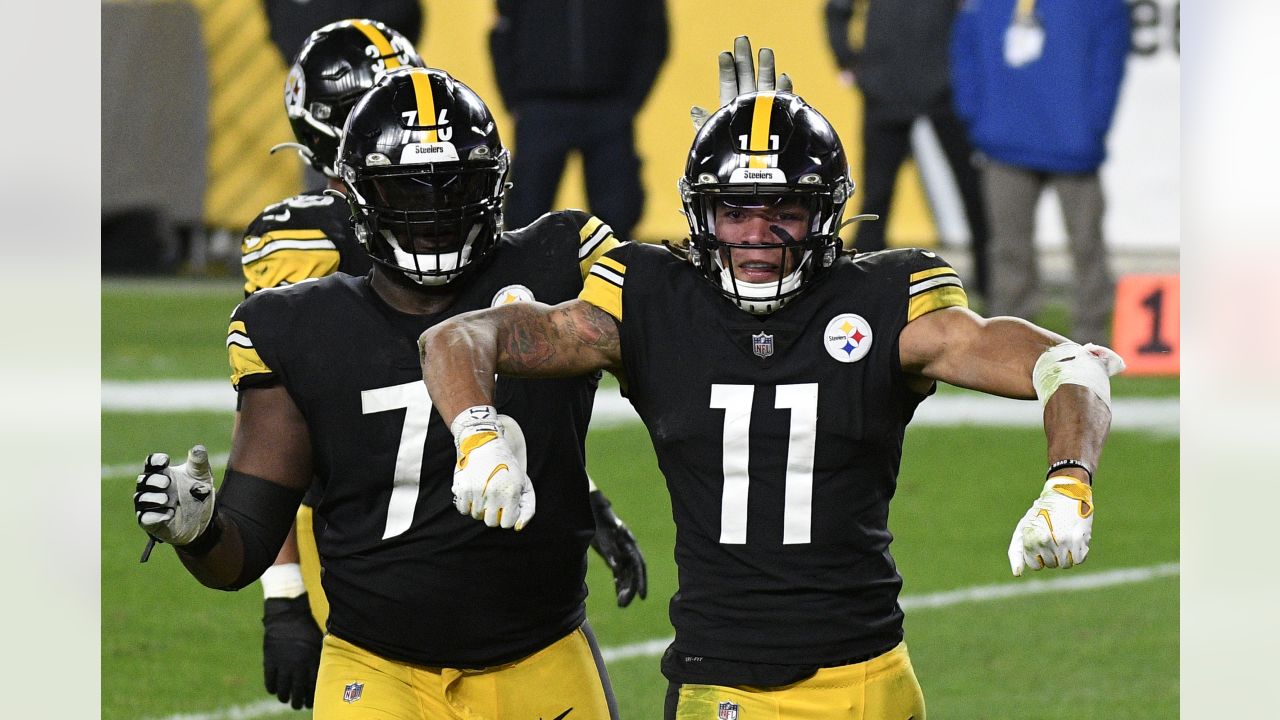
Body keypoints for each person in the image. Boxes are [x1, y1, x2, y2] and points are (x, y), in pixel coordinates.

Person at [419, 44, 1126, 719]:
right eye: (735, 210)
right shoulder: (649, 297)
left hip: (871, 676)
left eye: (785, 209)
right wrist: (478, 433)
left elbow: (1068, 364)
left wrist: (1070, 481)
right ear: (701, 212)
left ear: (826, 212)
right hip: (723, 678)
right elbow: (458, 337)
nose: (759, 235)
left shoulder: (883, 298)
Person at [133, 66, 647, 719]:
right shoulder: (299, 325)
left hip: (541, 651)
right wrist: (199, 532)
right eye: (405, 191)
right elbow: (242, 551)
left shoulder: (560, 262)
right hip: (379, 669)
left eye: (453, 188)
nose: (432, 215)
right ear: (354, 195)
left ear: (494, 185)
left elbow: (696, 342)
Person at [950, 0, 1131, 344]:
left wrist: (1093, 125)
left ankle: (1093, 336)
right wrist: (976, 116)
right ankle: (1008, 338)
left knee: (1086, 244)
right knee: (1008, 246)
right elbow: (965, 49)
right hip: (1003, 138)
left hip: (1073, 141)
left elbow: (1110, 59)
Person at [823, 0, 991, 298]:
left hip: (942, 88)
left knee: (972, 189)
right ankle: (857, 289)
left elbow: (978, 13)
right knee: (877, 194)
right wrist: (848, 61)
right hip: (890, 88)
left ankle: (993, 283)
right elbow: (837, 8)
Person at [489, 0, 668, 241]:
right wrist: (515, 98)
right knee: (525, 217)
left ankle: (616, 276)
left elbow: (654, 34)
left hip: (609, 106)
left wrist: (629, 100)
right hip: (541, 107)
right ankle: (522, 278)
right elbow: (501, 31)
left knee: (618, 217)